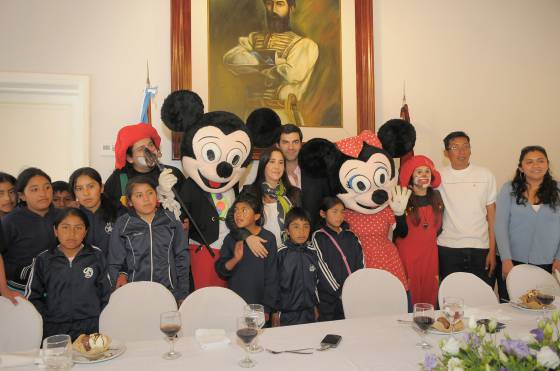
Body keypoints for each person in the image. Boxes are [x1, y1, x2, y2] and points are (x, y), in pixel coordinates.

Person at [223, 0, 319, 125]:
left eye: (279, 4)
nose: (273, 9)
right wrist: (276, 61)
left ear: (291, 8)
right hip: (251, 115)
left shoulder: (305, 45)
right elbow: (230, 60)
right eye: (269, 3)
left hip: (283, 117)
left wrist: (254, 62)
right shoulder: (253, 39)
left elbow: (292, 73)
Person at [25, 208, 111, 340]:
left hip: (92, 327)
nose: (72, 233)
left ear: (86, 232)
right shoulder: (43, 259)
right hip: (53, 329)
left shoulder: (96, 256)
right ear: (55, 230)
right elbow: (32, 297)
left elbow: (107, 295)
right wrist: (47, 318)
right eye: (65, 227)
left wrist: (101, 320)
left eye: (78, 227)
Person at [108, 176, 190, 302]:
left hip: (169, 292)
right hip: (134, 295)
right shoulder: (122, 224)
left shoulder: (171, 220)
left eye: (150, 193)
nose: (146, 199)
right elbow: (115, 261)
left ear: (156, 196)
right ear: (129, 201)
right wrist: (120, 276)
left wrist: (183, 293)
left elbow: (182, 257)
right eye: (139, 195)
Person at [437, 131, 497, 288]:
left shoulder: (485, 174)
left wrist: (492, 250)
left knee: (482, 300)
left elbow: (492, 216)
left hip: (480, 248)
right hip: (448, 248)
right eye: (455, 147)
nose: (461, 152)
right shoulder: (438, 177)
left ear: (471, 150)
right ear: (446, 153)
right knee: (450, 300)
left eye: (465, 146)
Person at [495, 146, 560, 284]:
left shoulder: (558, 191)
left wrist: (559, 257)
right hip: (511, 261)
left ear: (547, 164)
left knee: (544, 304)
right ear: (521, 167)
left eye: (540, 161)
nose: (535, 165)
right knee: (510, 304)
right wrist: (506, 260)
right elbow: (500, 226)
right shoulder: (509, 189)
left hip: (548, 263)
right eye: (529, 162)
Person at [1, 168, 61, 302]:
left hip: (55, 288)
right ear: (22, 195)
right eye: (34, 189)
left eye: (47, 187)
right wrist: (4, 290)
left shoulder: (62, 216)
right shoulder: (10, 221)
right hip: (19, 290)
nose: (43, 194)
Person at [215, 193, 278, 318]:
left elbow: (272, 277)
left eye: (244, 210)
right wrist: (235, 259)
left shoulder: (268, 239)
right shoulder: (231, 238)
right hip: (234, 305)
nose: (238, 214)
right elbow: (221, 270)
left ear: (257, 216)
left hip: (259, 307)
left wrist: (266, 308)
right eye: (236, 210)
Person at [394, 155, 444, 307]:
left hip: (430, 254)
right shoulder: (403, 198)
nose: (424, 175)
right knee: (411, 293)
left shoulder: (437, 196)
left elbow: (439, 228)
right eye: (419, 172)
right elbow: (401, 233)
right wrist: (399, 214)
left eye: (427, 172)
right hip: (408, 254)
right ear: (410, 177)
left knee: (430, 291)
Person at [232, 147, 301, 247]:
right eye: (272, 162)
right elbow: (232, 218)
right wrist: (247, 237)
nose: (277, 167)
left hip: (287, 254)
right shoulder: (249, 191)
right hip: (258, 254)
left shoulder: (294, 193)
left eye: (281, 162)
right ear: (263, 165)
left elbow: (301, 224)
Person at [104, 123, 185, 207]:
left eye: (151, 145)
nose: (149, 151)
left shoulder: (173, 173)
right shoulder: (117, 181)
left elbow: (187, 207)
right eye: (141, 149)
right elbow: (110, 214)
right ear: (129, 158)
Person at [312, 197, 363, 321]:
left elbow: (361, 263)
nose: (339, 216)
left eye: (342, 212)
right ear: (322, 213)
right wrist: (339, 291)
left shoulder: (351, 236)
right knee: (330, 332)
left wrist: (356, 286)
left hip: (352, 295)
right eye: (334, 211)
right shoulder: (318, 236)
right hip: (329, 298)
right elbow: (321, 266)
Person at [276, 124, 331, 229]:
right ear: (278, 145)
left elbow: (329, 206)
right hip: (283, 241)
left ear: (301, 144)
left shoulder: (318, 173)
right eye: (285, 142)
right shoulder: (272, 177)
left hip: (317, 239)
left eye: (295, 142)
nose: (291, 147)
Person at [272, 207, 320, 326]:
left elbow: (315, 283)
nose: (302, 231)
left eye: (306, 226)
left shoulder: (312, 252)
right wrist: (274, 312)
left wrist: (314, 306)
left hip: (309, 312)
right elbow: (273, 285)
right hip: (286, 315)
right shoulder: (280, 254)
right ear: (287, 231)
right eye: (296, 226)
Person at [69, 167, 127, 257]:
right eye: (79, 189)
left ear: (101, 188)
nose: (86, 193)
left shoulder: (119, 213)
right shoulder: (70, 217)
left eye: (91, 186)